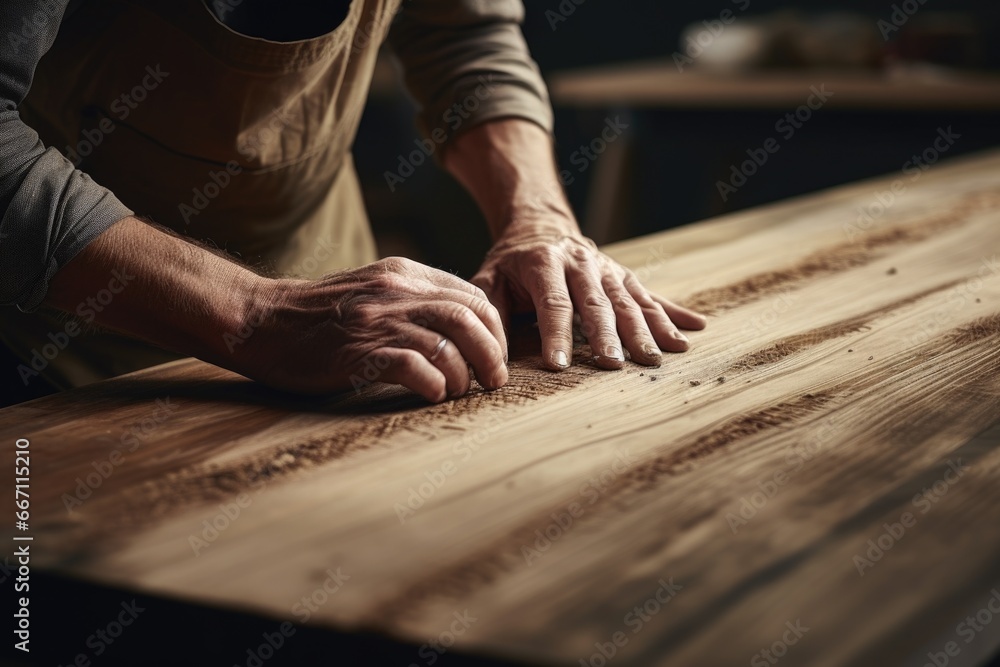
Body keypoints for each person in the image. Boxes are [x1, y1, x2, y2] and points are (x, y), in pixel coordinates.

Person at [0, 0, 706, 405]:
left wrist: (538, 218)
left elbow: (466, 38)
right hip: (57, 347)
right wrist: (253, 313)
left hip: (338, 323)